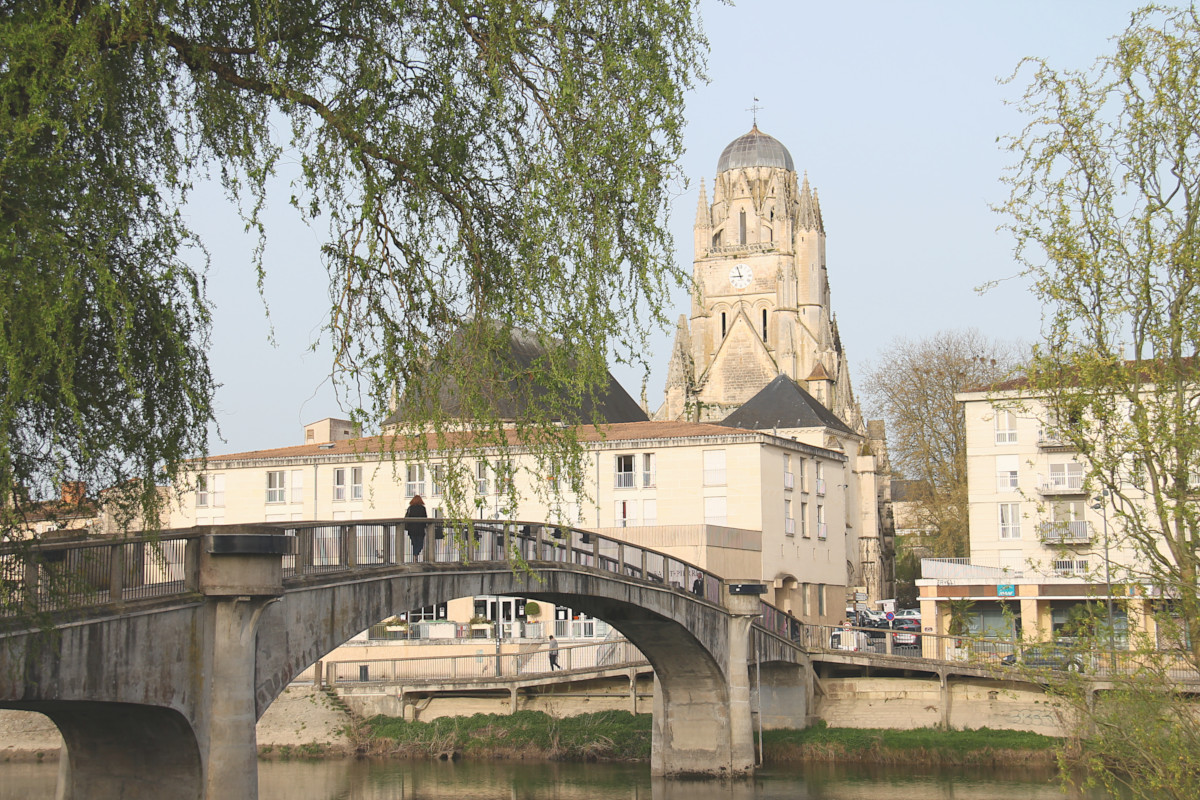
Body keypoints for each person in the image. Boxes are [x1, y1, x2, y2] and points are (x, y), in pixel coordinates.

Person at [405, 494, 428, 561]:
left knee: (414, 543)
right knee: (420, 544)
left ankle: (415, 555)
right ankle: (416, 554)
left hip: (412, 529)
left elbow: (406, 518)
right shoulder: (422, 508)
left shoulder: (410, 508)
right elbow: (425, 518)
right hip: (420, 529)